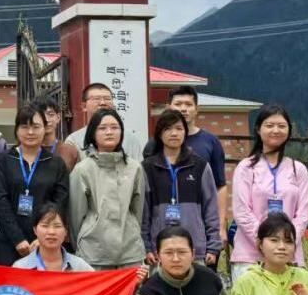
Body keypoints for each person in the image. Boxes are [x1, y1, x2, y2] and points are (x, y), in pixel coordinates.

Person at [68, 108, 146, 295]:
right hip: (94, 253)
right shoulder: (83, 169)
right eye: (103, 128)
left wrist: (131, 234)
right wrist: (86, 239)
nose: (109, 132)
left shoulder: (135, 167)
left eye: (114, 127)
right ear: (93, 133)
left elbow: (138, 210)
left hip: (129, 252)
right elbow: (76, 215)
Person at [231, 104, 308, 280]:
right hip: (250, 256)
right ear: (258, 129)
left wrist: (286, 242)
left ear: (289, 131)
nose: (276, 130)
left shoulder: (298, 169)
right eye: (269, 125)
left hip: (288, 256)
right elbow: (241, 211)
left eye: (282, 126)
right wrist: (265, 242)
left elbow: (303, 214)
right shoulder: (246, 167)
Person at [0, 103, 70, 265]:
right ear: (17, 129)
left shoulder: (56, 163)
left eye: (36, 127)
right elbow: (1, 200)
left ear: (45, 128)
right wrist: (17, 239)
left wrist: (40, 238)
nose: (30, 132)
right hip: (7, 240)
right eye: (25, 127)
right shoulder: (3, 160)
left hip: (44, 241)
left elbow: (60, 203)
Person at [141, 109, 222, 268]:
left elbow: (211, 208)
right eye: (168, 129)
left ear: (185, 132)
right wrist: (147, 247)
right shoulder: (147, 167)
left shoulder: (200, 166)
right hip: (160, 252)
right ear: (159, 133)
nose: (174, 133)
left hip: (195, 250)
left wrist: (213, 245)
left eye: (179, 128)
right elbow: (143, 213)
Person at [145, 86, 229, 225]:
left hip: (198, 223)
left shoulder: (211, 142)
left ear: (197, 109)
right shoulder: (154, 144)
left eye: (188, 104)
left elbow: (220, 186)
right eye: (178, 104)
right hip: (161, 224)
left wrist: (220, 225)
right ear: (168, 107)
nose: (183, 109)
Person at [64, 83, 143, 159]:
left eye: (107, 99)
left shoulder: (130, 139)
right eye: (96, 99)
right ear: (84, 106)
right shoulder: (74, 141)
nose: (103, 103)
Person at [12, 204, 93, 271]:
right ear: (35, 230)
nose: (51, 232)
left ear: (66, 231)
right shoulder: (20, 268)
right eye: (45, 226)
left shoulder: (80, 267)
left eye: (57, 226)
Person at [39, 96, 81, 171]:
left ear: (58, 117)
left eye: (50, 114)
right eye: (41, 115)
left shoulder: (70, 151)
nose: (46, 120)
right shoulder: (27, 150)